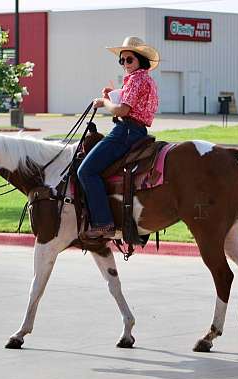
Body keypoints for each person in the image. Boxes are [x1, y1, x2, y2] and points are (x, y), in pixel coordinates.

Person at [77, 36, 160, 239]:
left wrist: (104, 102)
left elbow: (123, 110)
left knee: (86, 171)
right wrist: (114, 94)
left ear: (141, 59)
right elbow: (131, 99)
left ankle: (103, 223)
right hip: (138, 131)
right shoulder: (145, 79)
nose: (125, 64)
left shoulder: (137, 78)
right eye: (121, 60)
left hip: (126, 132)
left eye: (129, 59)